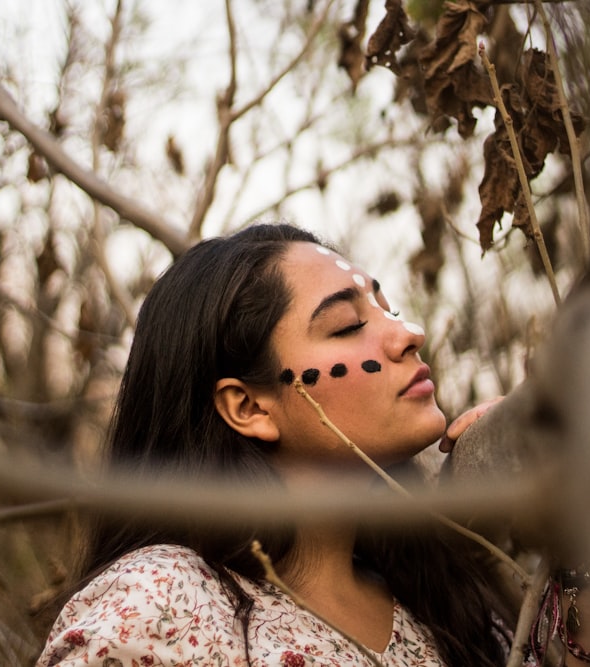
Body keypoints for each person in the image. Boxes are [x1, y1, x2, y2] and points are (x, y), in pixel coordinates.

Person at [37, 223, 514, 666]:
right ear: (249, 407)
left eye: (388, 309)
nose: (410, 333)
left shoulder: (446, 598)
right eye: (348, 325)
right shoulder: (165, 605)